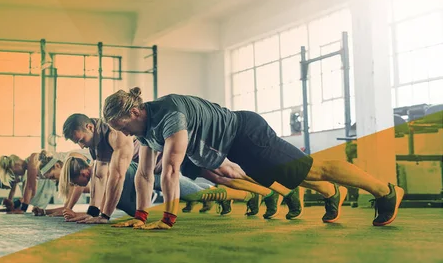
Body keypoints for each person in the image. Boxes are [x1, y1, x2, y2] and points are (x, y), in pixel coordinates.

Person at [103, 88, 404, 229]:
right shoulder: (144, 131)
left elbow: (169, 170)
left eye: (122, 127)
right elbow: (144, 174)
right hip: (234, 146)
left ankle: (386, 191)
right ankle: (330, 192)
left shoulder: (169, 114)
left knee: (313, 167)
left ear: (134, 112)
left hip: (246, 133)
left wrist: (167, 219)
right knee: (293, 176)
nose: (124, 135)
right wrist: (141, 216)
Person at [61, 114, 237, 222]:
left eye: (81, 140)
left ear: (90, 127)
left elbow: (117, 175)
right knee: (203, 185)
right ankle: (217, 192)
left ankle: (233, 194)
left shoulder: (114, 133)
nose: (81, 147)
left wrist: (103, 216)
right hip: (144, 170)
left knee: (209, 183)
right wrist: (92, 212)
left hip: (160, 162)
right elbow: (98, 177)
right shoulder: (93, 144)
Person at [0, 149, 90, 216]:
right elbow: (66, 209)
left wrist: (21, 209)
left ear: (16, 164)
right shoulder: (32, 171)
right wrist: (43, 212)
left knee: (85, 187)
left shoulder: (33, 159)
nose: (17, 175)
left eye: (15, 173)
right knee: (83, 189)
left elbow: (31, 188)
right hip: (66, 170)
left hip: (74, 163)